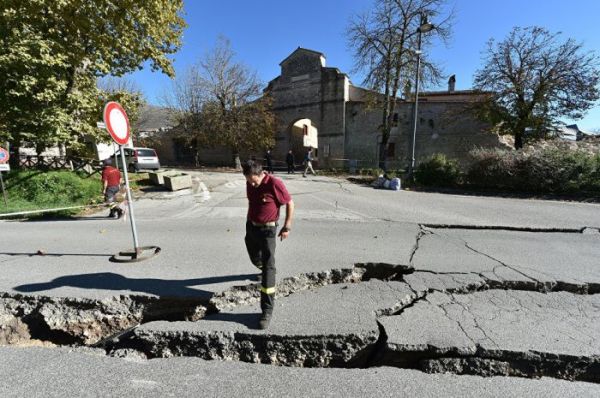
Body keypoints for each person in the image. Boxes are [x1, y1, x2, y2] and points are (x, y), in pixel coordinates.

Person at [242, 160, 294, 329]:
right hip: (252, 226)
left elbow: (290, 203)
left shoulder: (274, 183)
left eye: (253, 180)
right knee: (252, 252)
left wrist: (287, 226)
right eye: (248, 180)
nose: (251, 183)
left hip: (268, 231)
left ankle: (266, 311)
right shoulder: (250, 183)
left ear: (261, 173)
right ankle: (263, 267)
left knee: (268, 269)